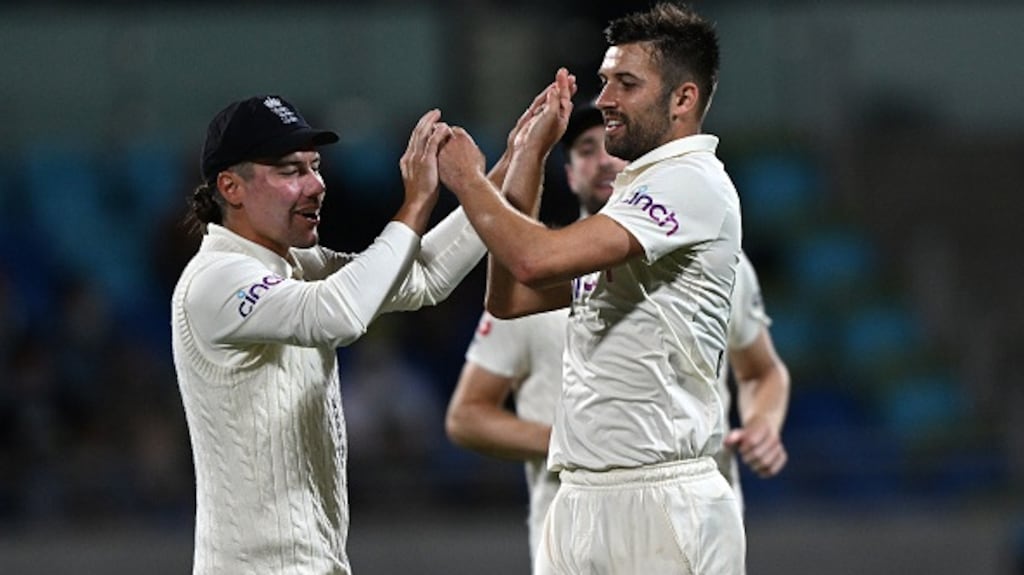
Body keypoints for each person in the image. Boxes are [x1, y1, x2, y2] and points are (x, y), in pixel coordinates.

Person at [436, 3, 748, 572]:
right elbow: (511, 300)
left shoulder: (691, 183)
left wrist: (468, 181)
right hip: (579, 495)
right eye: (605, 81)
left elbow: (532, 259)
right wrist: (530, 153)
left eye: (625, 83)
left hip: (660, 500)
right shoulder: (636, 197)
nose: (604, 99)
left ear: (683, 99)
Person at [170, 94, 526, 574]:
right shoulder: (215, 279)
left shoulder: (298, 266)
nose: (317, 185)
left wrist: (512, 163)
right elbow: (338, 315)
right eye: (291, 171)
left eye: (315, 167)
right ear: (231, 187)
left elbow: (423, 277)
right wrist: (418, 200)